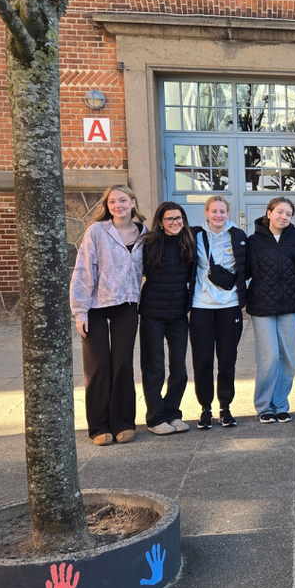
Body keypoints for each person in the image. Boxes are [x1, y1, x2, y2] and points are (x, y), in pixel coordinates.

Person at [70, 184, 148, 445]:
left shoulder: (144, 234)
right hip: (95, 307)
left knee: (122, 364)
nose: (118, 206)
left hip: (126, 306)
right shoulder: (97, 231)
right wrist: (80, 311)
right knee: (99, 365)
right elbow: (83, 270)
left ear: (133, 203)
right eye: (112, 202)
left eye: (123, 200)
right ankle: (99, 426)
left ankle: (124, 422)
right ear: (107, 206)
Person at [246, 196, 295, 423]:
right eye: (279, 212)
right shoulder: (254, 241)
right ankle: (264, 406)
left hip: (289, 305)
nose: (283, 217)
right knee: (269, 357)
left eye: (288, 214)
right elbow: (246, 271)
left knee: (288, 357)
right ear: (269, 213)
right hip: (262, 305)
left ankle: (281, 403)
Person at [137, 202, 196, 436]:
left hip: (179, 314)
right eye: (169, 219)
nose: (175, 223)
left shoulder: (189, 243)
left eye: (179, 218)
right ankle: (155, 417)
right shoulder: (148, 244)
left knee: (179, 369)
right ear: (160, 222)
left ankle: (172, 412)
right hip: (152, 313)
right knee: (154, 368)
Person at [190, 195, 248, 429]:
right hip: (201, 305)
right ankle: (205, 408)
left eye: (222, 211)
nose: (218, 215)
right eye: (214, 211)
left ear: (228, 213)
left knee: (227, 360)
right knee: (202, 360)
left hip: (229, 305)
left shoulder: (238, 236)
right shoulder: (194, 236)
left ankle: (225, 407)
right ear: (206, 213)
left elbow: (247, 267)